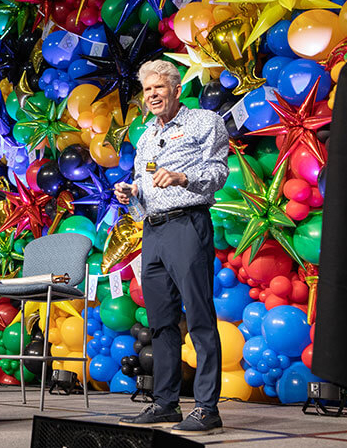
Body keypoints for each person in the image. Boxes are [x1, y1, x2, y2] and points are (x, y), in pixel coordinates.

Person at [115, 60, 228, 436]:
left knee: (198, 316)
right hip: (154, 231)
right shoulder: (146, 136)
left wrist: (184, 176)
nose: (153, 95)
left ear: (176, 90)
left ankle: (207, 408)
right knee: (160, 322)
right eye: (147, 90)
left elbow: (218, 173)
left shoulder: (203, 122)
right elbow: (143, 183)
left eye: (159, 88)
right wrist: (132, 194)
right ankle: (165, 404)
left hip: (188, 223)